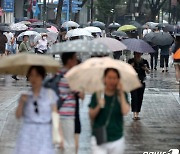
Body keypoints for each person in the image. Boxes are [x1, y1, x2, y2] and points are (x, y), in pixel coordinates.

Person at [14, 66, 63, 154]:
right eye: (31, 75)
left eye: (37, 75)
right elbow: (18, 116)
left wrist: (60, 137)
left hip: (45, 134)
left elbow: (55, 117)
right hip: (27, 134)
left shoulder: (50, 94)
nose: (34, 78)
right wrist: (21, 103)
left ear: (42, 77)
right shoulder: (25, 96)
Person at [89, 68, 130, 154]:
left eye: (114, 78)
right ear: (104, 79)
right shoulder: (97, 94)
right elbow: (91, 115)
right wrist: (99, 106)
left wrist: (121, 94)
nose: (112, 81)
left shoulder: (122, 94)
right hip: (99, 137)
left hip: (116, 138)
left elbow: (125, 111)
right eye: (109, 77)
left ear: (118, 80)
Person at [58, 52, 84, 154]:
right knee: (69, 145)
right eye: (74, 58)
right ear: (69, 61)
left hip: (57, 113)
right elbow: (81, 95)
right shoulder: (70, 76)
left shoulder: (57, 74)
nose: (75, 60)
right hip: (68, 115)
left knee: (61, 145)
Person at [128, 52, 150, 120]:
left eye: (139, 54)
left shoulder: (144, 61)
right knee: (134, 97)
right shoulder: (130, 61)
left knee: (140, 97)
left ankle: (137, 112)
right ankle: (134, 113)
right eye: (136, 54)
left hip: (141, 81)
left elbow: (148, 71)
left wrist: (145, 68)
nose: (138, 55)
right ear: (134, 54)